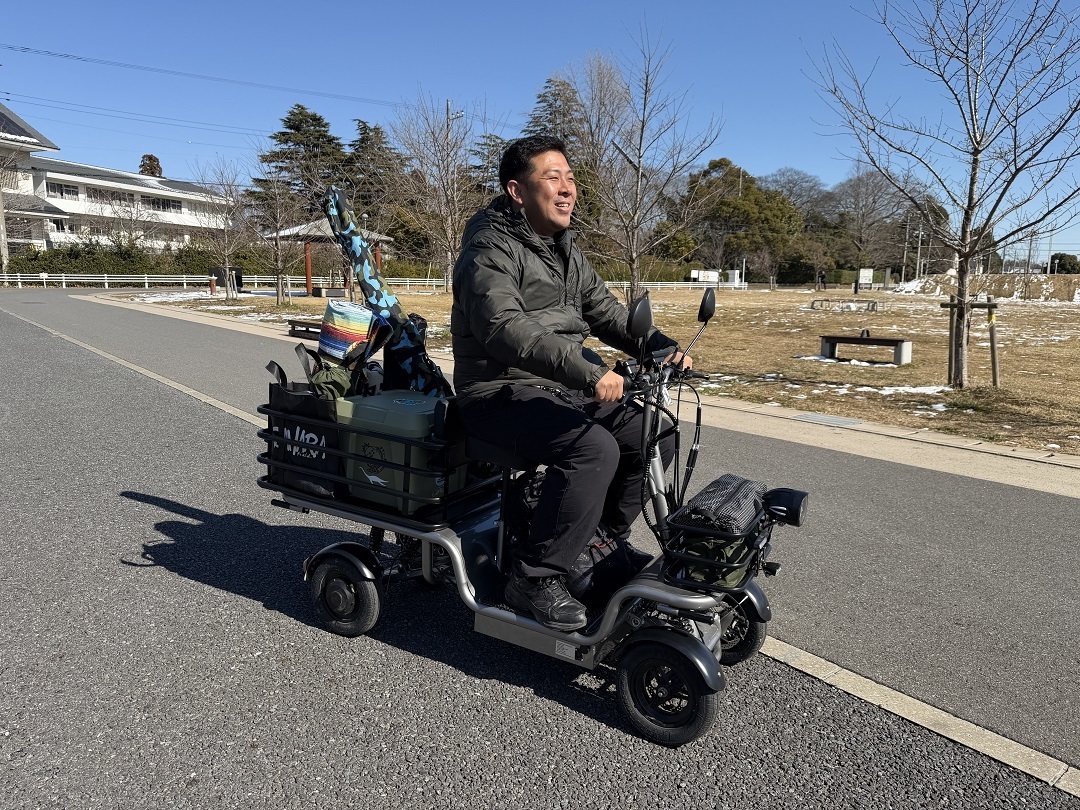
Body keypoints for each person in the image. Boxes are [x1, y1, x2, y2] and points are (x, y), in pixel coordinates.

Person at [450, 135, 689, 631]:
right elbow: (504, 329)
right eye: (552, 178)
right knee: (593, 449)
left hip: (558, 387)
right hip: (498, 394)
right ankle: (535, 577)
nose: (567, 189)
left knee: (655, 432)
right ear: (517, 191)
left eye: (571, 179)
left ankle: (598, 543)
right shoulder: (487, 250)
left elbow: (605, 312)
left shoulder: (565, 250)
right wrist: (590, 372)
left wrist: (661, 347)